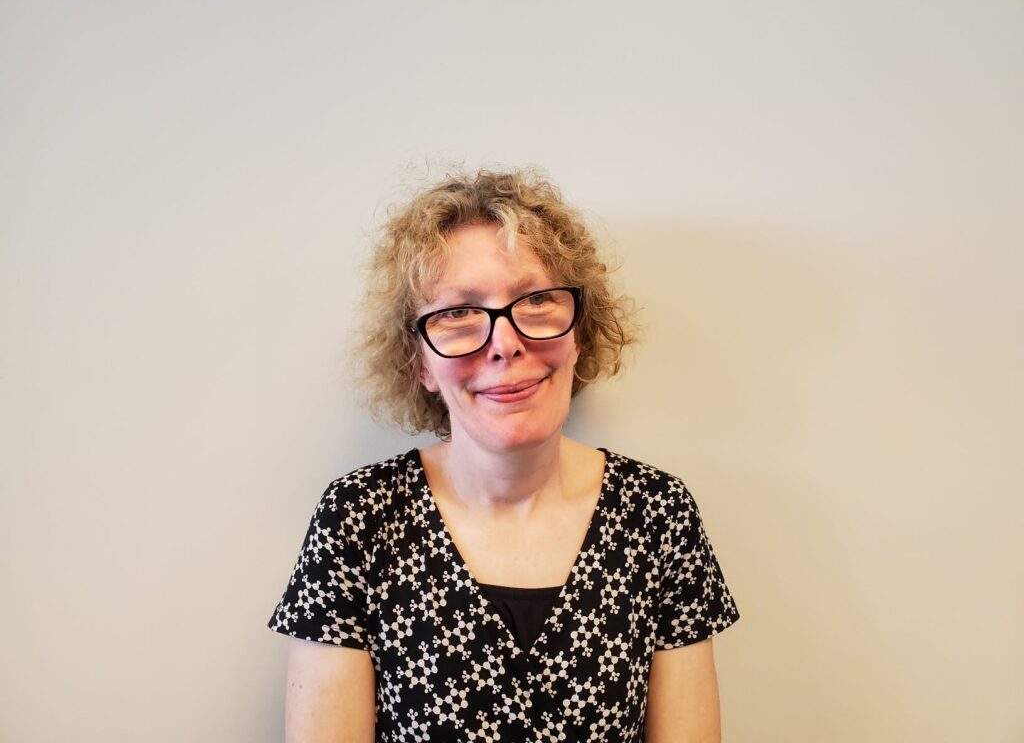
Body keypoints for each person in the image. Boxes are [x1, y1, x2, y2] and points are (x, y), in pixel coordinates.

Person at [267, 168, 740, 742]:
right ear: (420, 362)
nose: (505, 342)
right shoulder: (360, 519)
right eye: (458, 312)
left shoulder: (657, 516)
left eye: (537, 299)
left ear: (579, 333)